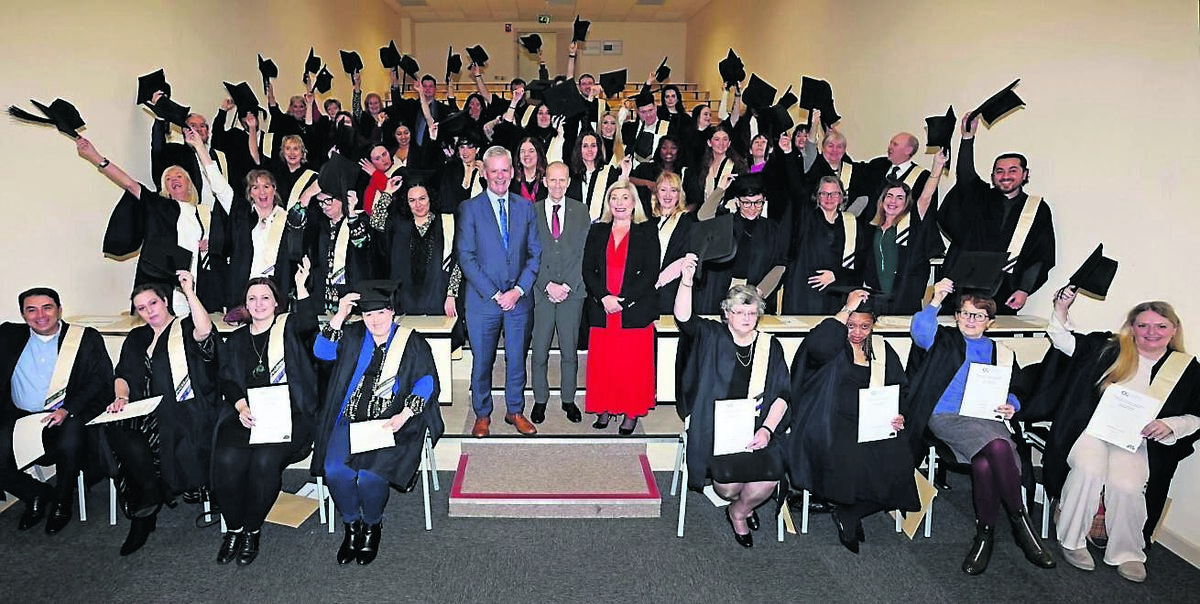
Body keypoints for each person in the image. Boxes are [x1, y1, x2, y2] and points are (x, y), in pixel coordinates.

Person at [1035, 289, 1200, 582]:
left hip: (1137, 441)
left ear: (1174, 329)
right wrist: (1061, 308)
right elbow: (1063, 341)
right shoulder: (1109, 349)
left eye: (1161, 326)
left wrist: (1171, 425)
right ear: (1132, 327)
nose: (1151, 332)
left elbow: (1196, 415)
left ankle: (1127, 552)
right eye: (1143, 325)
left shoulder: (1186, 368)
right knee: (1089, 470)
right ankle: (1071, 540)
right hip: (1092, 432)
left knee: (1127, 485)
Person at [905, 278, 1056, 574]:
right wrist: (935, 300)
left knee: (984, 465)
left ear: (990, 322)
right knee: (999, 446)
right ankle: (1021, 523)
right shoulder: (944, 340)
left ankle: (984, 536)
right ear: (956, 316)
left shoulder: (1001, 352)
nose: (971, 320)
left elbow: (1016, 388)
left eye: (979, 315)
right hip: (948, 417)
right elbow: (919, 330)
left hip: (986, 417)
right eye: (965, 313)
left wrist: (1012, 404)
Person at [312, 282, 444, 566]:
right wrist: (340, 314)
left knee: (371, 476)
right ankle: (352, 525)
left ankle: (372, 525)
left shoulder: (411, 341)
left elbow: (426, 382)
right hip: (350, 420)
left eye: (381, 313)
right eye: (368, 314)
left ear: (392, 312)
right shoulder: (352, 335)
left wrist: (405, 414)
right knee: (335, 470)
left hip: (392, 423)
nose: (374, 320)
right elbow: (322, 352)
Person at [787, 289, 917, 553]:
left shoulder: (881, 349)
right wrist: (846, 310)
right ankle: (847, 507)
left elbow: (899, 389)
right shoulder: (832, 346)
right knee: (851, 457)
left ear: (873, 325)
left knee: (900, 460)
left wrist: (899, 414)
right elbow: (818, 345)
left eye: (864, 326)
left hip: (873, 422)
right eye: (851, 325)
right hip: (829, 420)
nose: (857, 332)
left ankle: (850, 511)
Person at [674, 256, 790, 548]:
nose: (746, 318)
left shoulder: (770, 346)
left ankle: (739, 512)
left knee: (768, 479)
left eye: (752, 312)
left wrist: (767, 430)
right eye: (739, 312)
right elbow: (684, 318)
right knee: (728, 487)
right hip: (717, 428)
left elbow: (782, 395)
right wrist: (686, 282)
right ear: (726, 314)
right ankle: (739, 502)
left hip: (757, 427)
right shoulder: (712, 336)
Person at [102, 273, 219, 556]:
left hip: (184, 408)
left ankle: (145, 511)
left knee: (155, 435)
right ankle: (151, 492)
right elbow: (123, 374)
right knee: (114, 428)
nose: (149, 311)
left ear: (165, 301)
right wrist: (121, 397)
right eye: (141, 308)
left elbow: (206, 332)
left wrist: (190, 292)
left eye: (153, 303)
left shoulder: (186, 326)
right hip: (142, 407)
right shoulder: (137, 337)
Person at [210, 264, 319, 566]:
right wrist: (241, 406)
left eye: (265, 297)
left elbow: (309, 325)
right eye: (252, 298)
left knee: (264, 461)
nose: (258, 304)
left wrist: (302, 287)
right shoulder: (236, 340)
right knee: (226, 460)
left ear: (276, 302)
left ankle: (252, 530)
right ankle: (233, 529)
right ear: (245, 305)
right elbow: (227, 380)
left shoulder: (290, 328)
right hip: (249, 414)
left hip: (291, 415)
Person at [0, 287, 112, 534]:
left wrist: (67, 409)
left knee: (71, 441)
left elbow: (98, 380)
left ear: (59, 310)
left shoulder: (84, 338)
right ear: (23, 315)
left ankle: (63, 501)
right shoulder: (8, 336)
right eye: (32, 310)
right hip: (20, 417)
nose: (40, 315)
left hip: (67, 416)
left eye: (47, 308)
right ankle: (35, 493)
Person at [80, 133, 232, 313]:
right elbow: (130, 184)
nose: (174, 180)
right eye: (168, 178)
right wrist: (95, 156)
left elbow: (226, 244)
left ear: (189, 184)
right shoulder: (158, 206)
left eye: (179, 176)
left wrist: (212, 245)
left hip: (201, 285)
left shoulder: (206, 212)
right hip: (164, 284)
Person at [457, 146, 542, 437]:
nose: (500, 176)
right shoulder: (469, 209)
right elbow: (466, 257)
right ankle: (482, 414)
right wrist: (496, 294)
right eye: (494, 171)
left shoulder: (525, 207)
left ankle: (515, 410)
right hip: (483, 302)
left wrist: (518, 290)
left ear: (512, 171)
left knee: (517, 359)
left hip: (519, 301)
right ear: (484, 173)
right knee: (483, 361)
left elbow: (534, 253)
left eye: (505, 170)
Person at [938, 115, 1055, 314]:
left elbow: (1041, 255)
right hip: (965, 285)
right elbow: (966, 175)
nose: (1005, 176)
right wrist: (967, 138)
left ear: (1025, 174)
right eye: (999, 171)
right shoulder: (980, 197)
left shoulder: (1037, 209)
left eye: (1012, 170)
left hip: (1005, 290)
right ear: (992, 176)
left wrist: (1024, 289)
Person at [582, 180, 660, 434]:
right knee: (604, 364)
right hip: (602, 309)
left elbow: (650, 272)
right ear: (608, 203)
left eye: (625, 197)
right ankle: (604, 407)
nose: (619, 203)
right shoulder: (597, 230)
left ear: (634, 202)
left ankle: (630, 412)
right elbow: (588, 269)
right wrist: (604, 297)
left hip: (633, 310)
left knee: (631, 366)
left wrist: (623, 301)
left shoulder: (647, 231)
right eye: (614, 197)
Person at [530, 162, 590, 425]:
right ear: (544, 181)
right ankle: (540, 400)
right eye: (552, 180)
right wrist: (546, 284)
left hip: (572, 292)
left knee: (569, 350)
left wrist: (567, 285)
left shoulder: (581, 210)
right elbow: (528, 253)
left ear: (568, 182)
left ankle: (568, 399)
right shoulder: (532, 212)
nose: (557, 185)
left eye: (562, 180)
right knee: (539, 350)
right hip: (540, 292)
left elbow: (585, 252)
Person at [860, 151, 948, 315]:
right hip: (877, 296)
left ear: (907, 202)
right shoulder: (873, 227)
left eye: (900, 198)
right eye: (889, 196)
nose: (893, 201)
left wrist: (937, 166)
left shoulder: (910, 222)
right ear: (882, 199)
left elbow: (926, 197)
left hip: (904, 296)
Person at [693, 175, 786, 315]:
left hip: (754, 293)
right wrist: (721, 188)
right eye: (746, 203)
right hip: (718, 291)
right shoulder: (726, 222)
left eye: (758, 202)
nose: (752, 208)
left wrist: (758, 293)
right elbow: (703, 217)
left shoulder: (772, 229)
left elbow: (780, 265)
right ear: (737, 201)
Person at [781, 176, 866, 315]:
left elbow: (860, 262)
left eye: (834, 193)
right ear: (817, 196)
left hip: (834, 294)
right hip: (802, 293)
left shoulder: (852, 224)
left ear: (842, 197)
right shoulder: (804, 218)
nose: (829, 198)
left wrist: (836, 275)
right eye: (824, 193)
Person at [224, 169, 294, 309]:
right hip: (245, 289)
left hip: (275, 290)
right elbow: (220, 188)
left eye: (266, 186)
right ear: (250, 193)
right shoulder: (241, 218)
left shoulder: (287, 219)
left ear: (274, 189)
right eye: (255, 187)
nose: (262, 192)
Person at [860, 132, 935, 222]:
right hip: (867, 224)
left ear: (908, 150)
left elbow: (924, 210)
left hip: (898, 227)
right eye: (890, 143)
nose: (889, 147)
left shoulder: (922, 177)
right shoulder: (878, 164)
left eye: (895, 144)